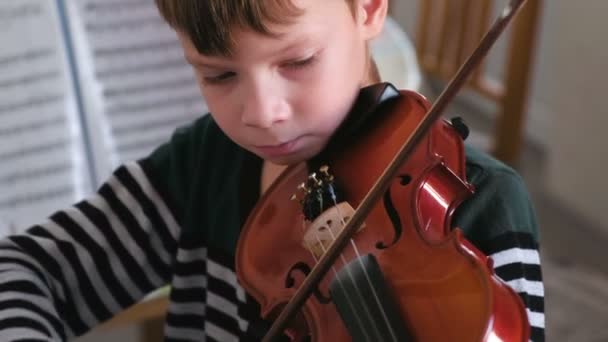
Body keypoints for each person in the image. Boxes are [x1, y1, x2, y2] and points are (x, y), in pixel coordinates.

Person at [0, 0, 544, 341]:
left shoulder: (477, 203)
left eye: (297, 61)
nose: (261, 115)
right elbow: (27, 269)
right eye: (218, 75)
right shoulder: (203, 164)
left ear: (369, 9)